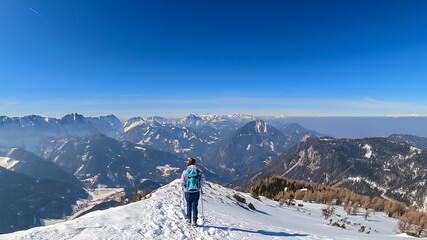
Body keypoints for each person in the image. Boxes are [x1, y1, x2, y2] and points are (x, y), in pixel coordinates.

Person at [180, 158, 205, 226]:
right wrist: (200, 187)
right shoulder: (199, 171)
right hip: (196, 191)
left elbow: (182, 182)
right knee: (195, 206)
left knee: (188, 205)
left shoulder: (185, 172)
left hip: (187, 191)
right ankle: (194, 221)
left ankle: (188, 219)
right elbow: (202, 181)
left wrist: (184, 187)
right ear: (194, 163)